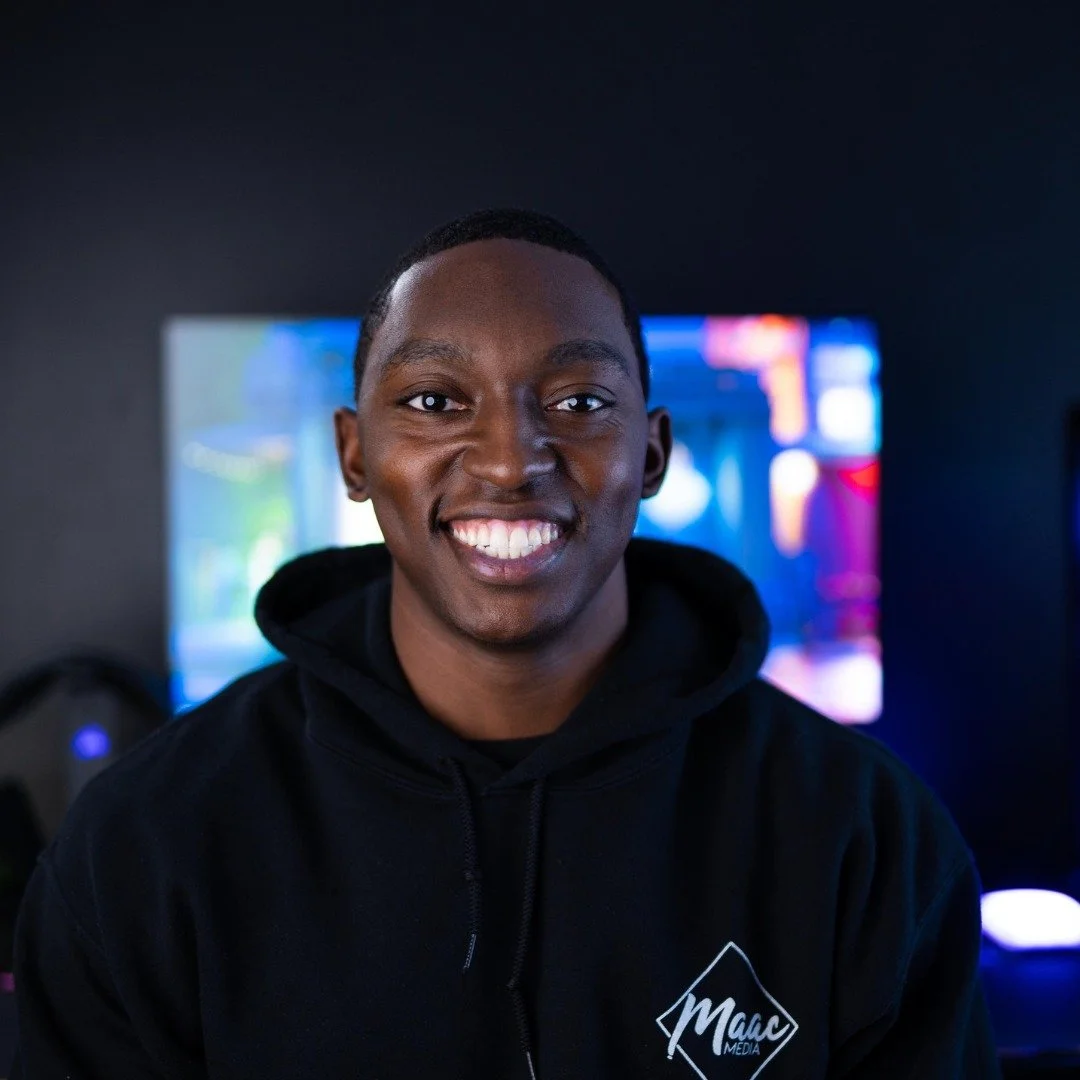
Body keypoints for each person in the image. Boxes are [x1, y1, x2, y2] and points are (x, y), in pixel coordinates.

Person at [10, 209, 1000, 1079]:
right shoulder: (144, 847)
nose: (510, 461)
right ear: (355, 455)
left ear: (652, 452)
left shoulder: (866, 839)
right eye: (436, 401)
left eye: (579, 403)